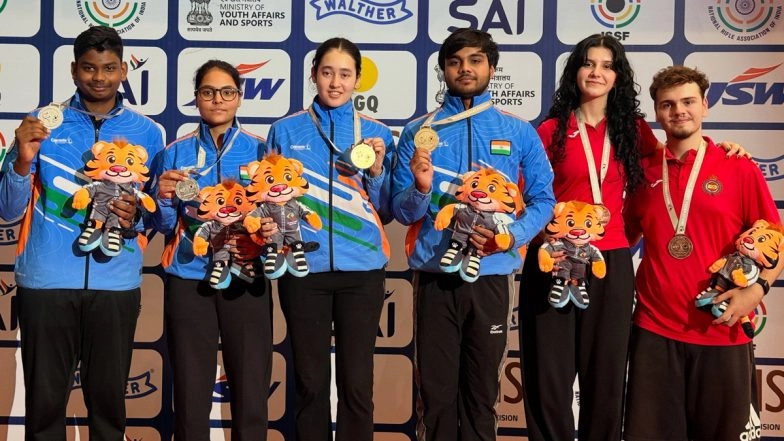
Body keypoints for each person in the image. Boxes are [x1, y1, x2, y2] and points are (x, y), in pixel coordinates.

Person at [518, 34, 751, 441]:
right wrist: (542, 242)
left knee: (605, 378)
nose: (597, 71)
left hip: (609, 262)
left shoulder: (635, 131)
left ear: (618, 76)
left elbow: (679, 156)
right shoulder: (552, 131)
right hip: (553, 261)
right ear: (575, 71)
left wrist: (726, 150)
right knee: (547, 379)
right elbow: (525, 198)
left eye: (607, 65)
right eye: (589, 63)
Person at [391, 28, 556, 441]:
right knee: (437, 391)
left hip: (492, 275)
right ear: (444, 69)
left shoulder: (518, 131)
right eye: (455, 61)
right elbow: (402, 210)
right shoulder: (418, 132)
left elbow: (544, 201)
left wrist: (509, 237)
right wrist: (422, 187)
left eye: (475, 60)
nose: (465, 69)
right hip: (434, 275)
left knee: (482, 393)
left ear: (492, 68)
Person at [0, 26, 164, 440]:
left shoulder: (148, 132)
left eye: (109, 68)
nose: (99, 77)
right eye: (89, 68)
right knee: (45, 405)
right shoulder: (40, 125)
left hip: (116, 283)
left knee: (109, 408)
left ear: (123, 70)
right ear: (74, 70)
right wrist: (21, 161)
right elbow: (7, 209)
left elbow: (158, 216)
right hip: (47, 281)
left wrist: (135, 219)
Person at [622, 65, 783, 441]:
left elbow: (776, 241)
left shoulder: (737, 166)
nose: (679, 110)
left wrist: (756, 292)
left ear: (705, 106)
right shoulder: (642, 173)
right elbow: (619, 238)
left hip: (722, 332)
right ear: (658, 113)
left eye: (688, 101)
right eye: (668, 104)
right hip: (653, 331)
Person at [263, 37, 395, 441]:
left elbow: (389, 209)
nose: (335, 83)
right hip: (304, 269)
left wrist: (375, 172)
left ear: (357, 80)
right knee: (311, 382)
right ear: (313, 74)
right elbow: (267, 199)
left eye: (345, 74)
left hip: (363, 273)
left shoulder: (375, 134)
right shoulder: (285, 130)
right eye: (327, 72)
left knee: (357, 385)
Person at [150, 60, 272, 441]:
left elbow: (276, 216)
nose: (217, 100)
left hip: (247, 277)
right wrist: (164, 198)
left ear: (239, 97)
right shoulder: (175, 152)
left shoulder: (261, 149)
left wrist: (262, 236)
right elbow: (163, 226)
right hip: (190, 278)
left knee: (252, 394)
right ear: (196, 98)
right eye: (207, 92)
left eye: (226, 92)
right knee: (189, 394)